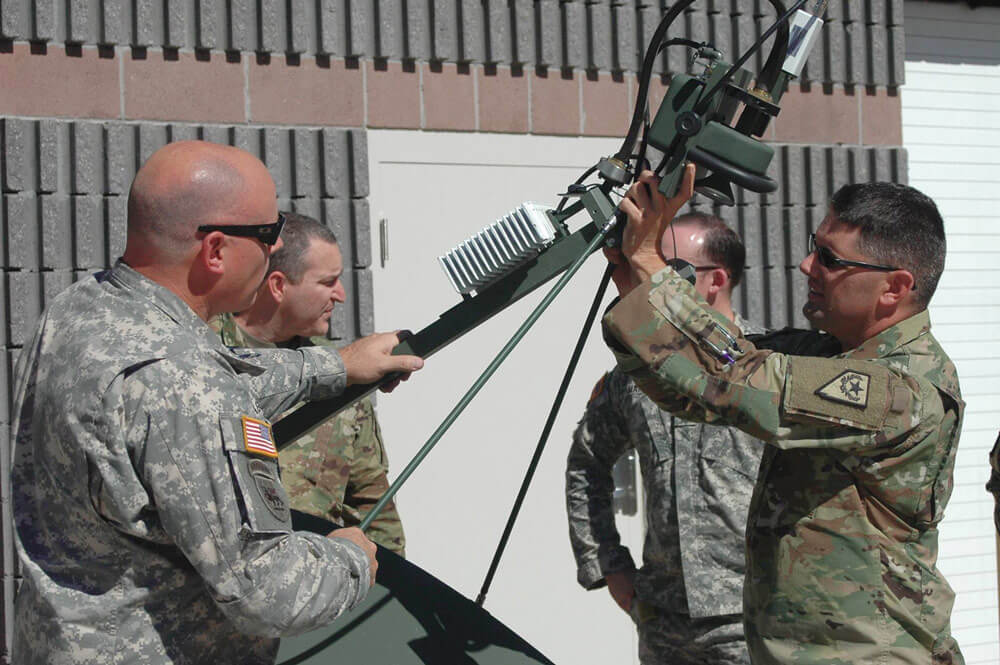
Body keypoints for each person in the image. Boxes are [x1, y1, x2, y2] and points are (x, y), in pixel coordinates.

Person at [9, 140, 423, 664]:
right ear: (216, 250)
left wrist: (336, 367)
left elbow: (194, 388)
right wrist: (350, 557)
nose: (276, 250)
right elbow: (269, 593)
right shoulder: (182, 378)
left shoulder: (81, 311)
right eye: (269, 235)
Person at [602, 166, 965, 665]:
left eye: (830, 259)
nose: (805, 264)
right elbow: (696, 383)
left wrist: (651, 265)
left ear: (893, 288)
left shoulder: (901, 393)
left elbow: (737, 381)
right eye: (814, 246)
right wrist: (636, 277)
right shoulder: (834, 355)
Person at [566, 213, 765, 665]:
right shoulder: (636, 373)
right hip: (663, 621)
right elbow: (587, 462)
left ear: (715, 280)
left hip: (752, 619)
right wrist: (609, 565)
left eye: (667, 268)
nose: (647, 278)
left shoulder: (770, 366)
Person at [211, 211, 406, 555]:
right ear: (278, 286)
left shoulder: (343, 376)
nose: (341, 295)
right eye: (327, 282)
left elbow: (372, 509)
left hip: (315, 588)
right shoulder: (203, 355)